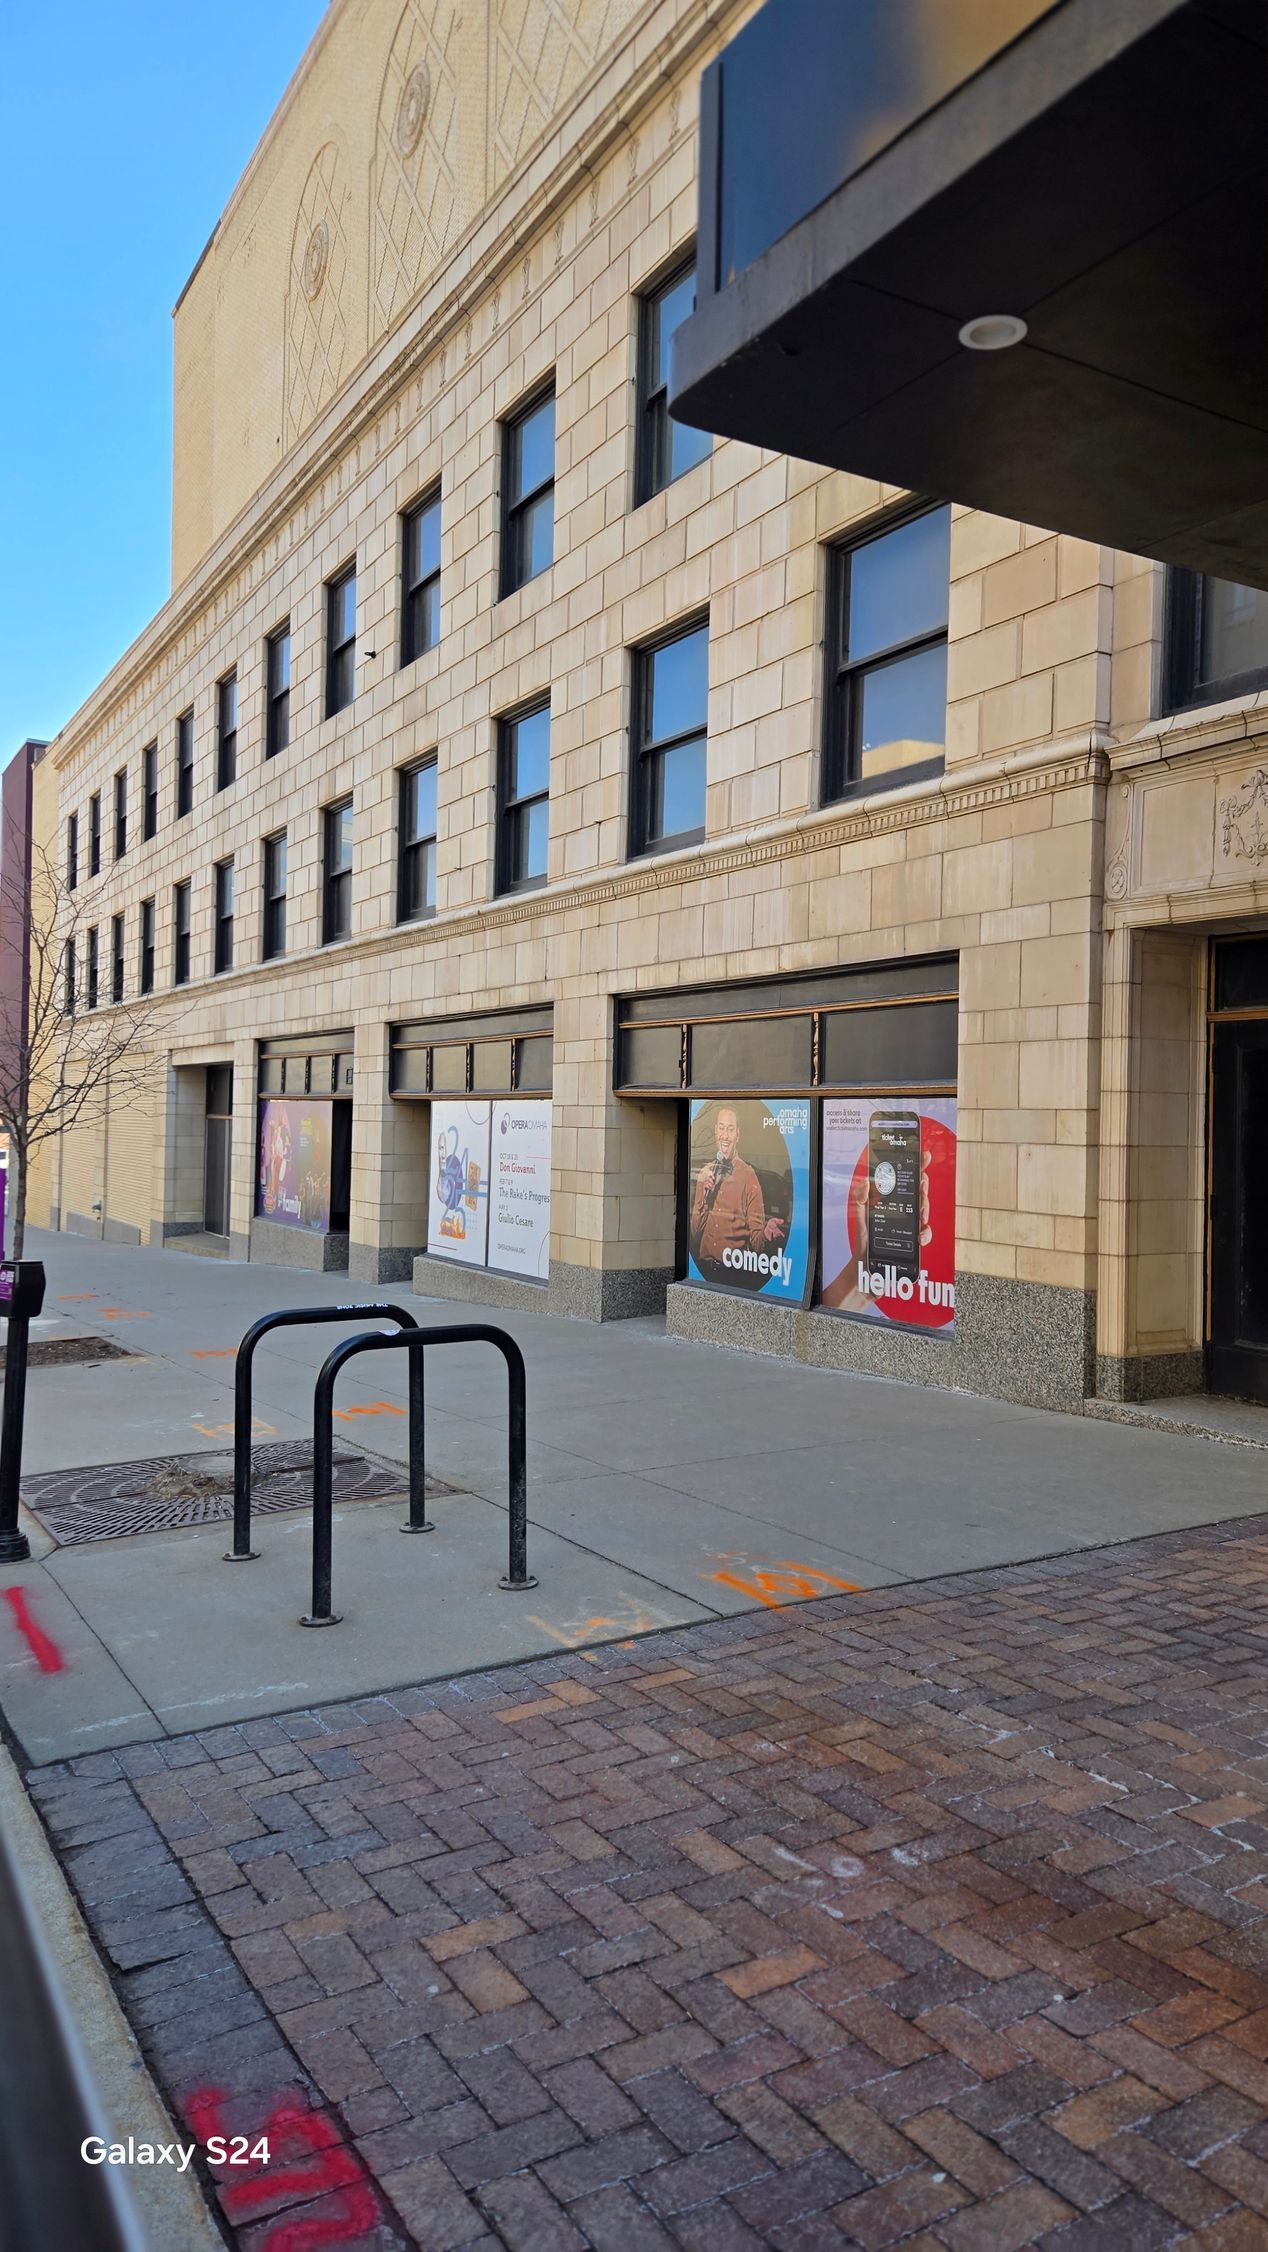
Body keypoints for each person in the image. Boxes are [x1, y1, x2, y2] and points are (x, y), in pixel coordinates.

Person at [689, 1107, 786, 1286]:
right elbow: (694, 1233)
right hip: (703, 1271)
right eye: (722, 1128)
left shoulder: (748, 1177)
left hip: (732, 1274)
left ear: (737, 1135)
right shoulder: (706, 1173)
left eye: (730, 1129)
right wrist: (703, 1196)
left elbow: (756, 1243)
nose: (725, 1135)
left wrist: (766, 1233)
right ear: (716, 1131)